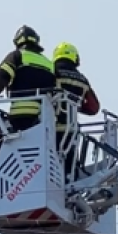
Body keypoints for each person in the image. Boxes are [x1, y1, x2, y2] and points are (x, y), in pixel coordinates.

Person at [0, 25, 55, 132]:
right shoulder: (49, 64)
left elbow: (1, 75)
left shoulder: (17, 56)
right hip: (44, 119)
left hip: (20, 114)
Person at [50, 42, 100, 175]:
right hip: (71, 130)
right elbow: (94, 107)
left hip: (51, 127)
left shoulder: (52, 71)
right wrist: (77, 106)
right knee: (69, 168)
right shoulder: (82, 79)